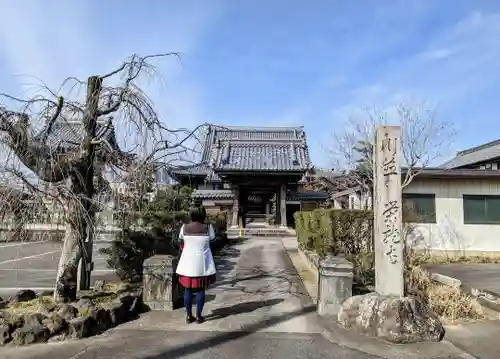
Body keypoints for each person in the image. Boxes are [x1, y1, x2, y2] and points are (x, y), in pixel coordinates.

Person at [176, 207, 216, 324]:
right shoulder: (208, 228)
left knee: (187, 289)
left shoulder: (184, 227)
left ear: (191, 214)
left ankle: (189, 316)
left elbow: (180, 242)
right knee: (200, 290)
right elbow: (213, 242)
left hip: (187, 263)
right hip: (202, 263)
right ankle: (199, 316)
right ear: (203, 215)